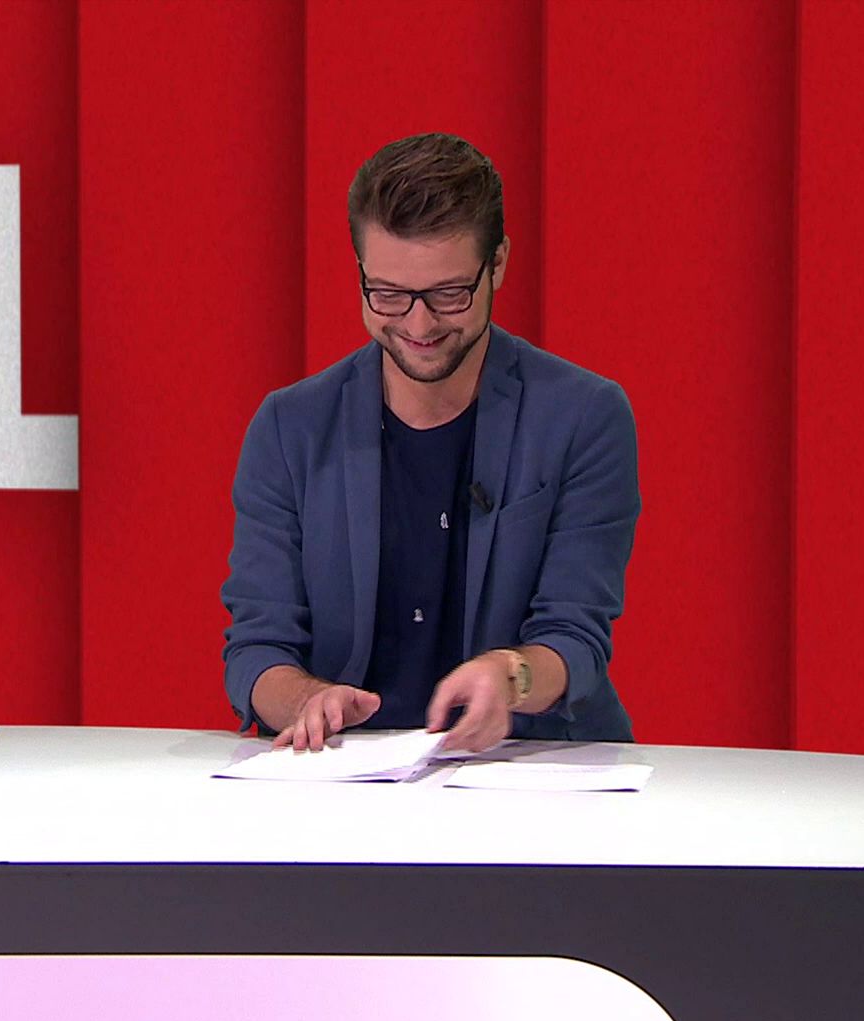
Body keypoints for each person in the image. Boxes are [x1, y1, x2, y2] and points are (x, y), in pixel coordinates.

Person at [221, 133, 638, 753]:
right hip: (346, 773)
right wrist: (307, 700)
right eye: (388, 294)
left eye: (449, 294)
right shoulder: (290, 428)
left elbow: (575, 637)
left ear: (498, 264)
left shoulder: (583, 417)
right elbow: (258, 648)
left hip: (531, 766)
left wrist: (510, 677)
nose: (418, 325)